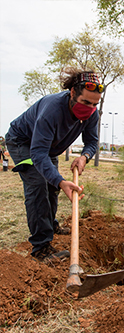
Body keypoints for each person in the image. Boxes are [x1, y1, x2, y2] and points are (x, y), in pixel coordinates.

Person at [5, 67, 104, 261]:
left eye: (94, 104)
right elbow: (37, 152)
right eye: (85, 102)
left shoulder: (92, 113)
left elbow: (92, 142)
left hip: (48, 148)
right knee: (38, 185)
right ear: (73, 93)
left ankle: (50, 224)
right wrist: (60, 181)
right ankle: (40, 248)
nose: (90, 108)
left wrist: (84, 156)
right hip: (23, 142)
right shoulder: (52, 109)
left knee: (52, 187)